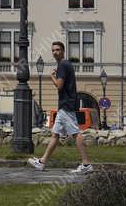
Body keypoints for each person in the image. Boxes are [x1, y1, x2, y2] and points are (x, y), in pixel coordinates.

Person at [29, 41, 92, 174]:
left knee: (75, 133)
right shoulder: (65, 64)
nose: (55, 52)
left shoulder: (63, 65)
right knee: (55, 135)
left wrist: (52, 76)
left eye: (57, 50)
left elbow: (59, 85)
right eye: (53, 50)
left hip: (66, 104)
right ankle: (42, 162)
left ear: (63, 51)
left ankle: (86, 164)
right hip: (66, 104)